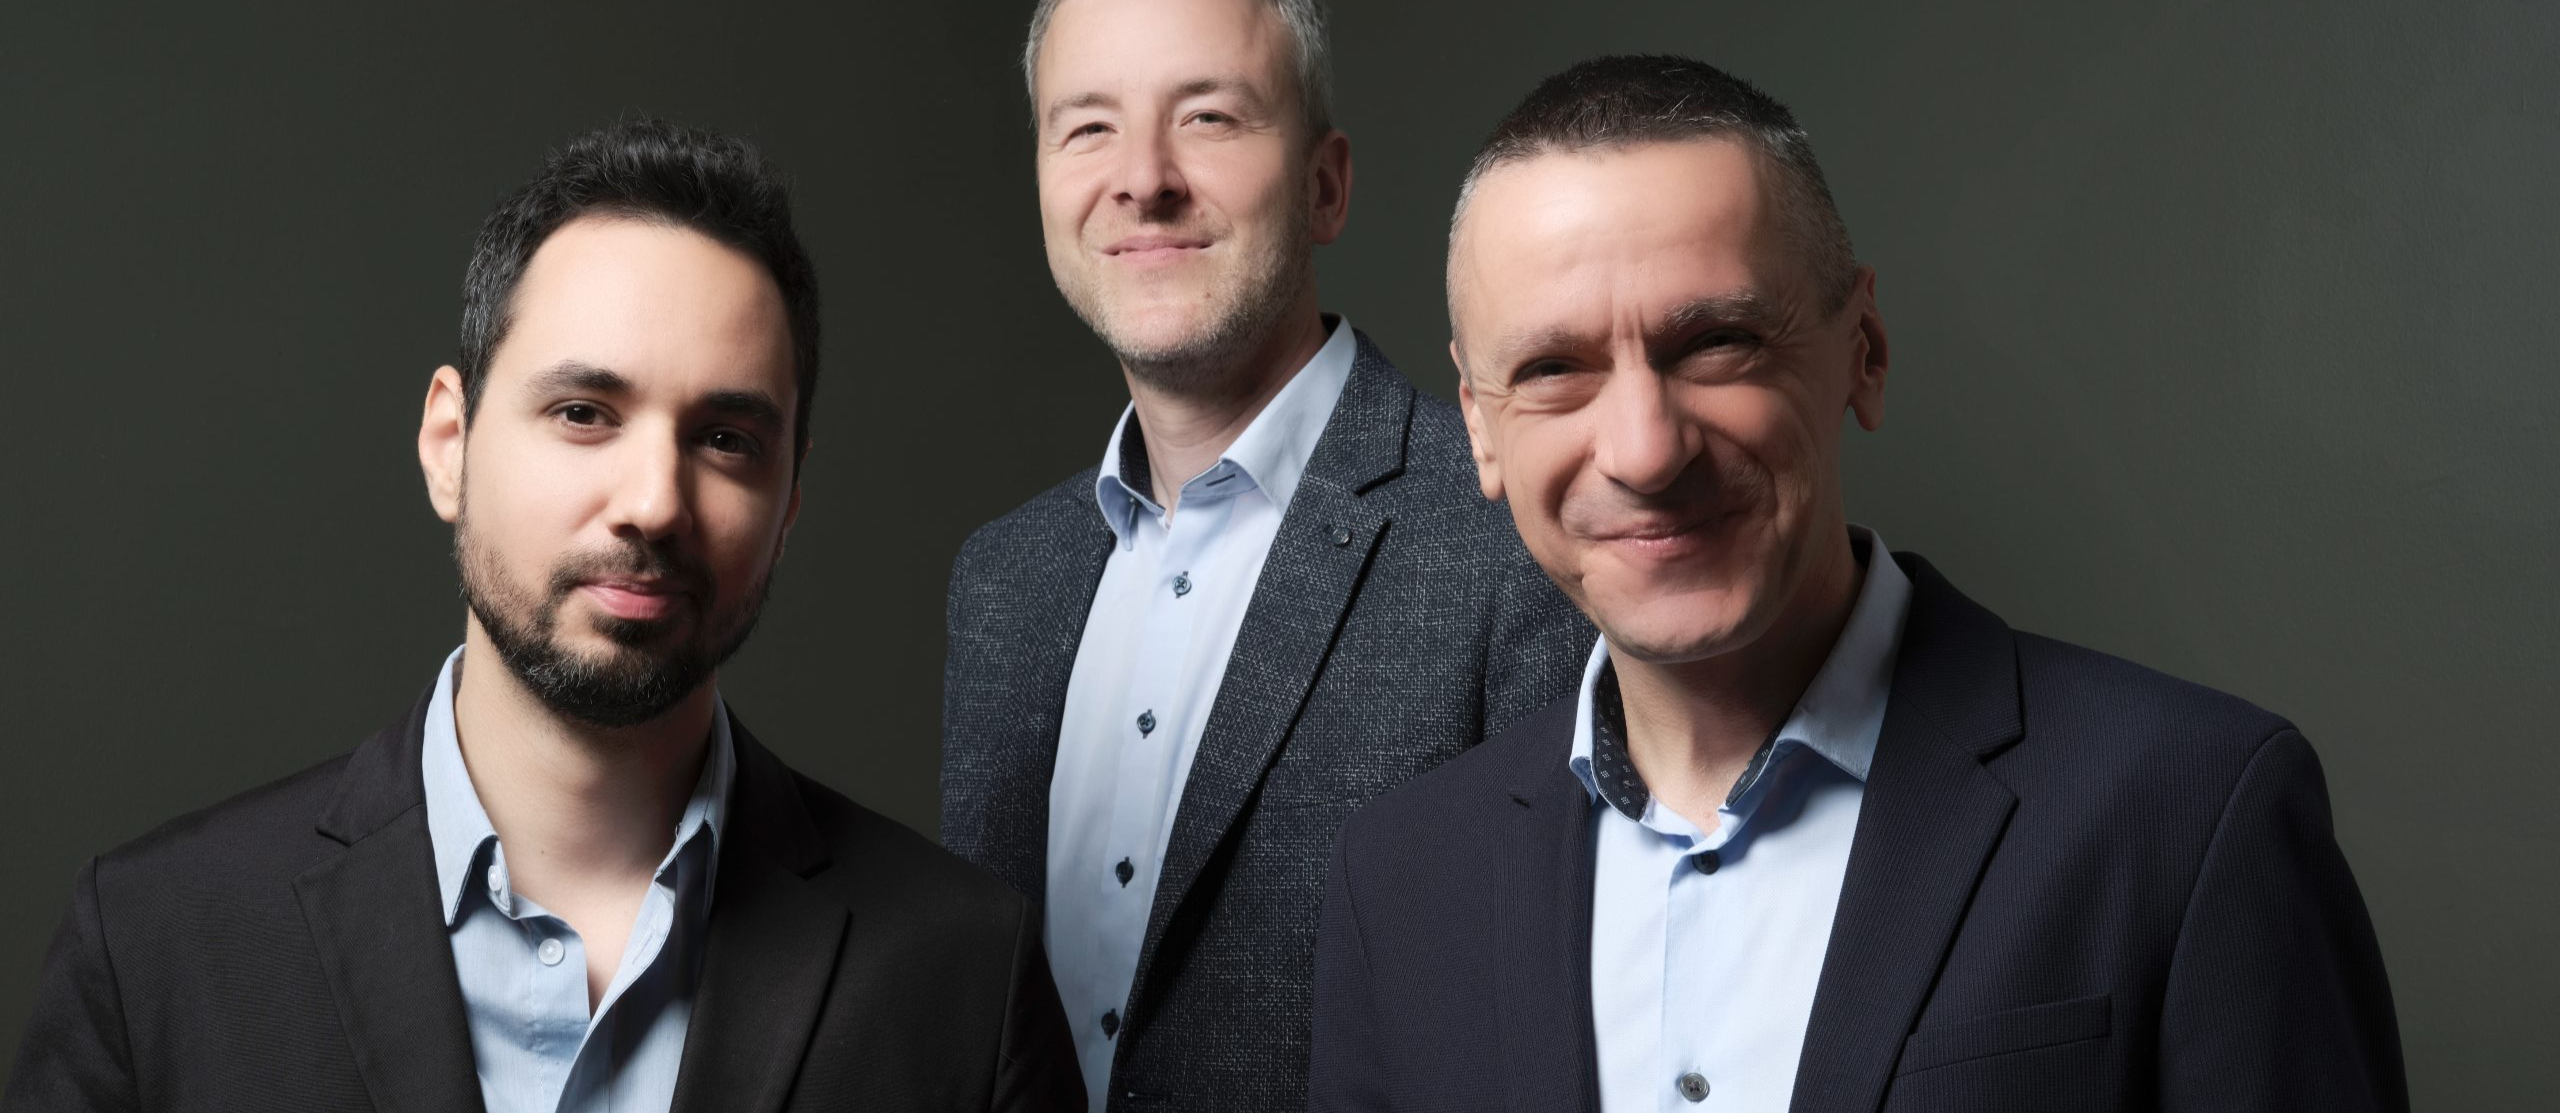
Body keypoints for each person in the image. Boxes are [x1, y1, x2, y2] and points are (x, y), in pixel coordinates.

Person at [1310, 55, 2406, 1111]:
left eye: (1718, 342)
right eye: (1554, 369)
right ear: (1480, 428)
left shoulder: (2193, 808)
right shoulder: (1400, 882)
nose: (1645, 451)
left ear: (1864, 352)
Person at [5, 119, 1082, 1113]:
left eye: (726, 441)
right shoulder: (156, 945)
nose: (655, 503)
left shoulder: (962, 975)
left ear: (790, 503)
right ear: (450, 445)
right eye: (583, 413)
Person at [938, 1, 1590, 1109]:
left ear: (1324, 186)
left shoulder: (1512, 536)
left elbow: (1552, 1035)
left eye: (1208, 117)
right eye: (1088, 128)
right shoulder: (1002, 581)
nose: (1143, 179)